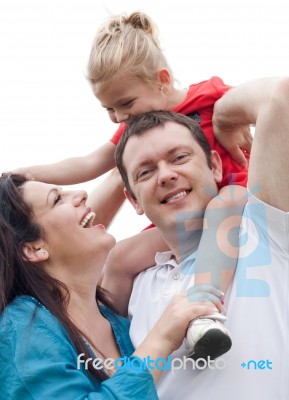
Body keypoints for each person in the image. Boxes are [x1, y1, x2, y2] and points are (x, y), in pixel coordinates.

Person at [10, 11, 251, 359]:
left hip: (233, 196)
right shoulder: (130, 132)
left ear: (162, 80)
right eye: (108, 109)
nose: (120, 117)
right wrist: (29, 173)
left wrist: (235, 120)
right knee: (121, 257)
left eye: (125, 104)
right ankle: (116, 346)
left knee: (222, 206)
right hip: (178, 223)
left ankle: (205, 308)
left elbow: (263, 108)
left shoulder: (208, 97)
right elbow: (88, 163)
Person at [113, 76, 289, 400]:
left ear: (216, 167)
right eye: (146, 172)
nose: (166, 174)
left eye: (179, 157)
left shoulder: (262, 230)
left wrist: (222, 116)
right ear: (133, 199)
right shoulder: (134, 286)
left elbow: (282, 97)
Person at [0, 173, 223, 399]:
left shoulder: (122, 323)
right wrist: (161, 339)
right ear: (34, 248)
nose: (81, 194)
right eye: (57, 199)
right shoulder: (20, 327)